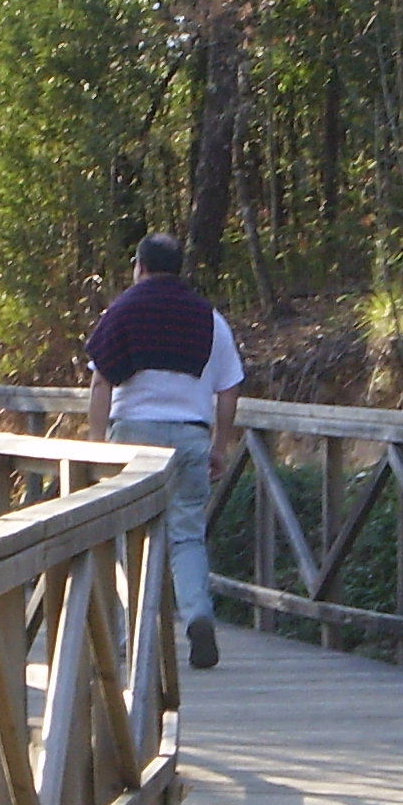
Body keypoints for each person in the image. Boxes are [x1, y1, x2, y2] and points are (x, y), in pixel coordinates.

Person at [85, 232, 243, 670]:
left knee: (124, 537)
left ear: (139, 266)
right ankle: (197, 615)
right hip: (191, 436)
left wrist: (96, 444)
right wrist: (219, 445)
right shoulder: (210, 318)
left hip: (133, 435)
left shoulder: (122, 312)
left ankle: (127, 637)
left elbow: (102, 382)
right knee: (187, 535)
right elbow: (229, 389)